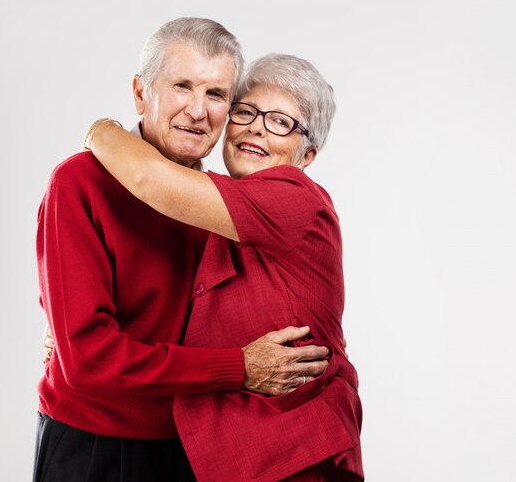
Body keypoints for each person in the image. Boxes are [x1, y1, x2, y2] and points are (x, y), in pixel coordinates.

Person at [34, 19, 330, 482]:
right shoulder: (78, 183)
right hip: (96, 444)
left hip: (196, 445)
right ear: (140, 93)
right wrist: (238, 368)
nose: (198, 110)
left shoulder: (223, 203)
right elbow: (88, 357)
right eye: (182, 86)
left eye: (216, 95)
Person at [87, 53, 364, 481]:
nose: (256, 126)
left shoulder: (295, 198)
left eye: (281, 122)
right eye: (246, 111)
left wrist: (100, 130)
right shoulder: (220, 213)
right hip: (221, 459)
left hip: (292, 457)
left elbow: (148, 179)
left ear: (307, 154)